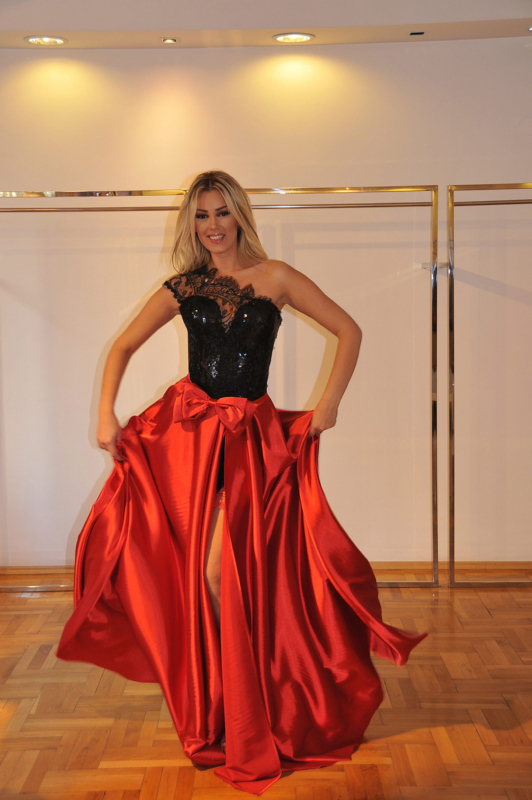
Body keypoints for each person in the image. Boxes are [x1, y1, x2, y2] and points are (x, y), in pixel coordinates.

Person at [57, 170, 427, 795]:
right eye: (202, 215)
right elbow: (121, 347)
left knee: (236, 572)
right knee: (203, 573)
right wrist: (104, 415)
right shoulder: (183, 286)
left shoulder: (276, 276)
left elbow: (349, 330)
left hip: (252, 442)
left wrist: (329, 403)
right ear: (192, 224)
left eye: (222, 212)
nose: (213, 226)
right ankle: (228, 699)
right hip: (191, 441)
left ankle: (259, 699)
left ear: (240, 216)